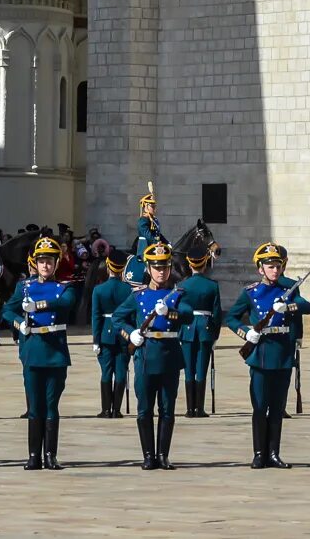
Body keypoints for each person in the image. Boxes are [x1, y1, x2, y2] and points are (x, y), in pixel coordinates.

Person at [226, 242, 310, 468]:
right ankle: (258, 453)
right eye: (270, 266)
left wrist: (289, 307)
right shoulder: (251, 292)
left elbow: (307, 307)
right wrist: (246, 333)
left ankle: (273, 453)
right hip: (262, 352)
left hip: (282, 352)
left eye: (278, 266)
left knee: (277, 407)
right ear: (260, 268)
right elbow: (231, 318)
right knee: (259, 406)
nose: (275, 270)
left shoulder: (289, 289)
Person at [112, 242, 193, 470]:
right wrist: (131, 334)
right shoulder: (137, 295)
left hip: (169, 356)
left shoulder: (176, 294)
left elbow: (187, 315)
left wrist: (171, 312)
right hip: (146, 356)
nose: (161, 271)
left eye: (165, 267)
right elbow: (118, 318)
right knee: (145, 408)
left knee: (167, 409)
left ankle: (163, 455)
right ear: (148, 268)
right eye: (156, 267)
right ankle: (148, 455)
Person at [3, 237, 76, 470]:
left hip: (54, 350)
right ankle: (34, 455)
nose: (45, 266)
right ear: (35, 263)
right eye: (41, 261)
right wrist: (18, 324)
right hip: (33, 349)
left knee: (51, 404)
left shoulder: (64, 288)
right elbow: (7, 310)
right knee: (35, 405)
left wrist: (38, 306)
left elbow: (65, 304)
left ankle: (50, 455)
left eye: (49, 261)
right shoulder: (23, 287)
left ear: (56, 263)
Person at [178, 242, 222, 418]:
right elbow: (217, 313)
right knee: (201, 368)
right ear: (205, 263)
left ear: (189, 264)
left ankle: (189, 409)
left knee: (189, 368)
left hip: (187, 329)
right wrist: (215, 335)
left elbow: (178, 310)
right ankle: (199, 408)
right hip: (205, 328)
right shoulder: (212, 286)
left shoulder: (182, 285)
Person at [91, 250, 133, 418]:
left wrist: (95, 339)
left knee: (106, 372)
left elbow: (96, 316)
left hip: (105, 335)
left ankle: (105, 409)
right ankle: (117, 409)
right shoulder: (128, 289)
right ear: (122, 268)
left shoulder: (99, 290)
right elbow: (131, 315)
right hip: (123, 333)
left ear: (108, 266)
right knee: (121, 371)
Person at [124, 187, 166, 286]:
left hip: (155, 247)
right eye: (152, 206)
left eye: (154, 206)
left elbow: (158, 234)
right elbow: (146, 234)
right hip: (146, 247)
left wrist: (167, 243)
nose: (154, 208)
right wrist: (156, 242)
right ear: (146, 207)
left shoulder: (154, 220)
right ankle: (145, 283)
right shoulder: (142, 220)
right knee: (148, 265)